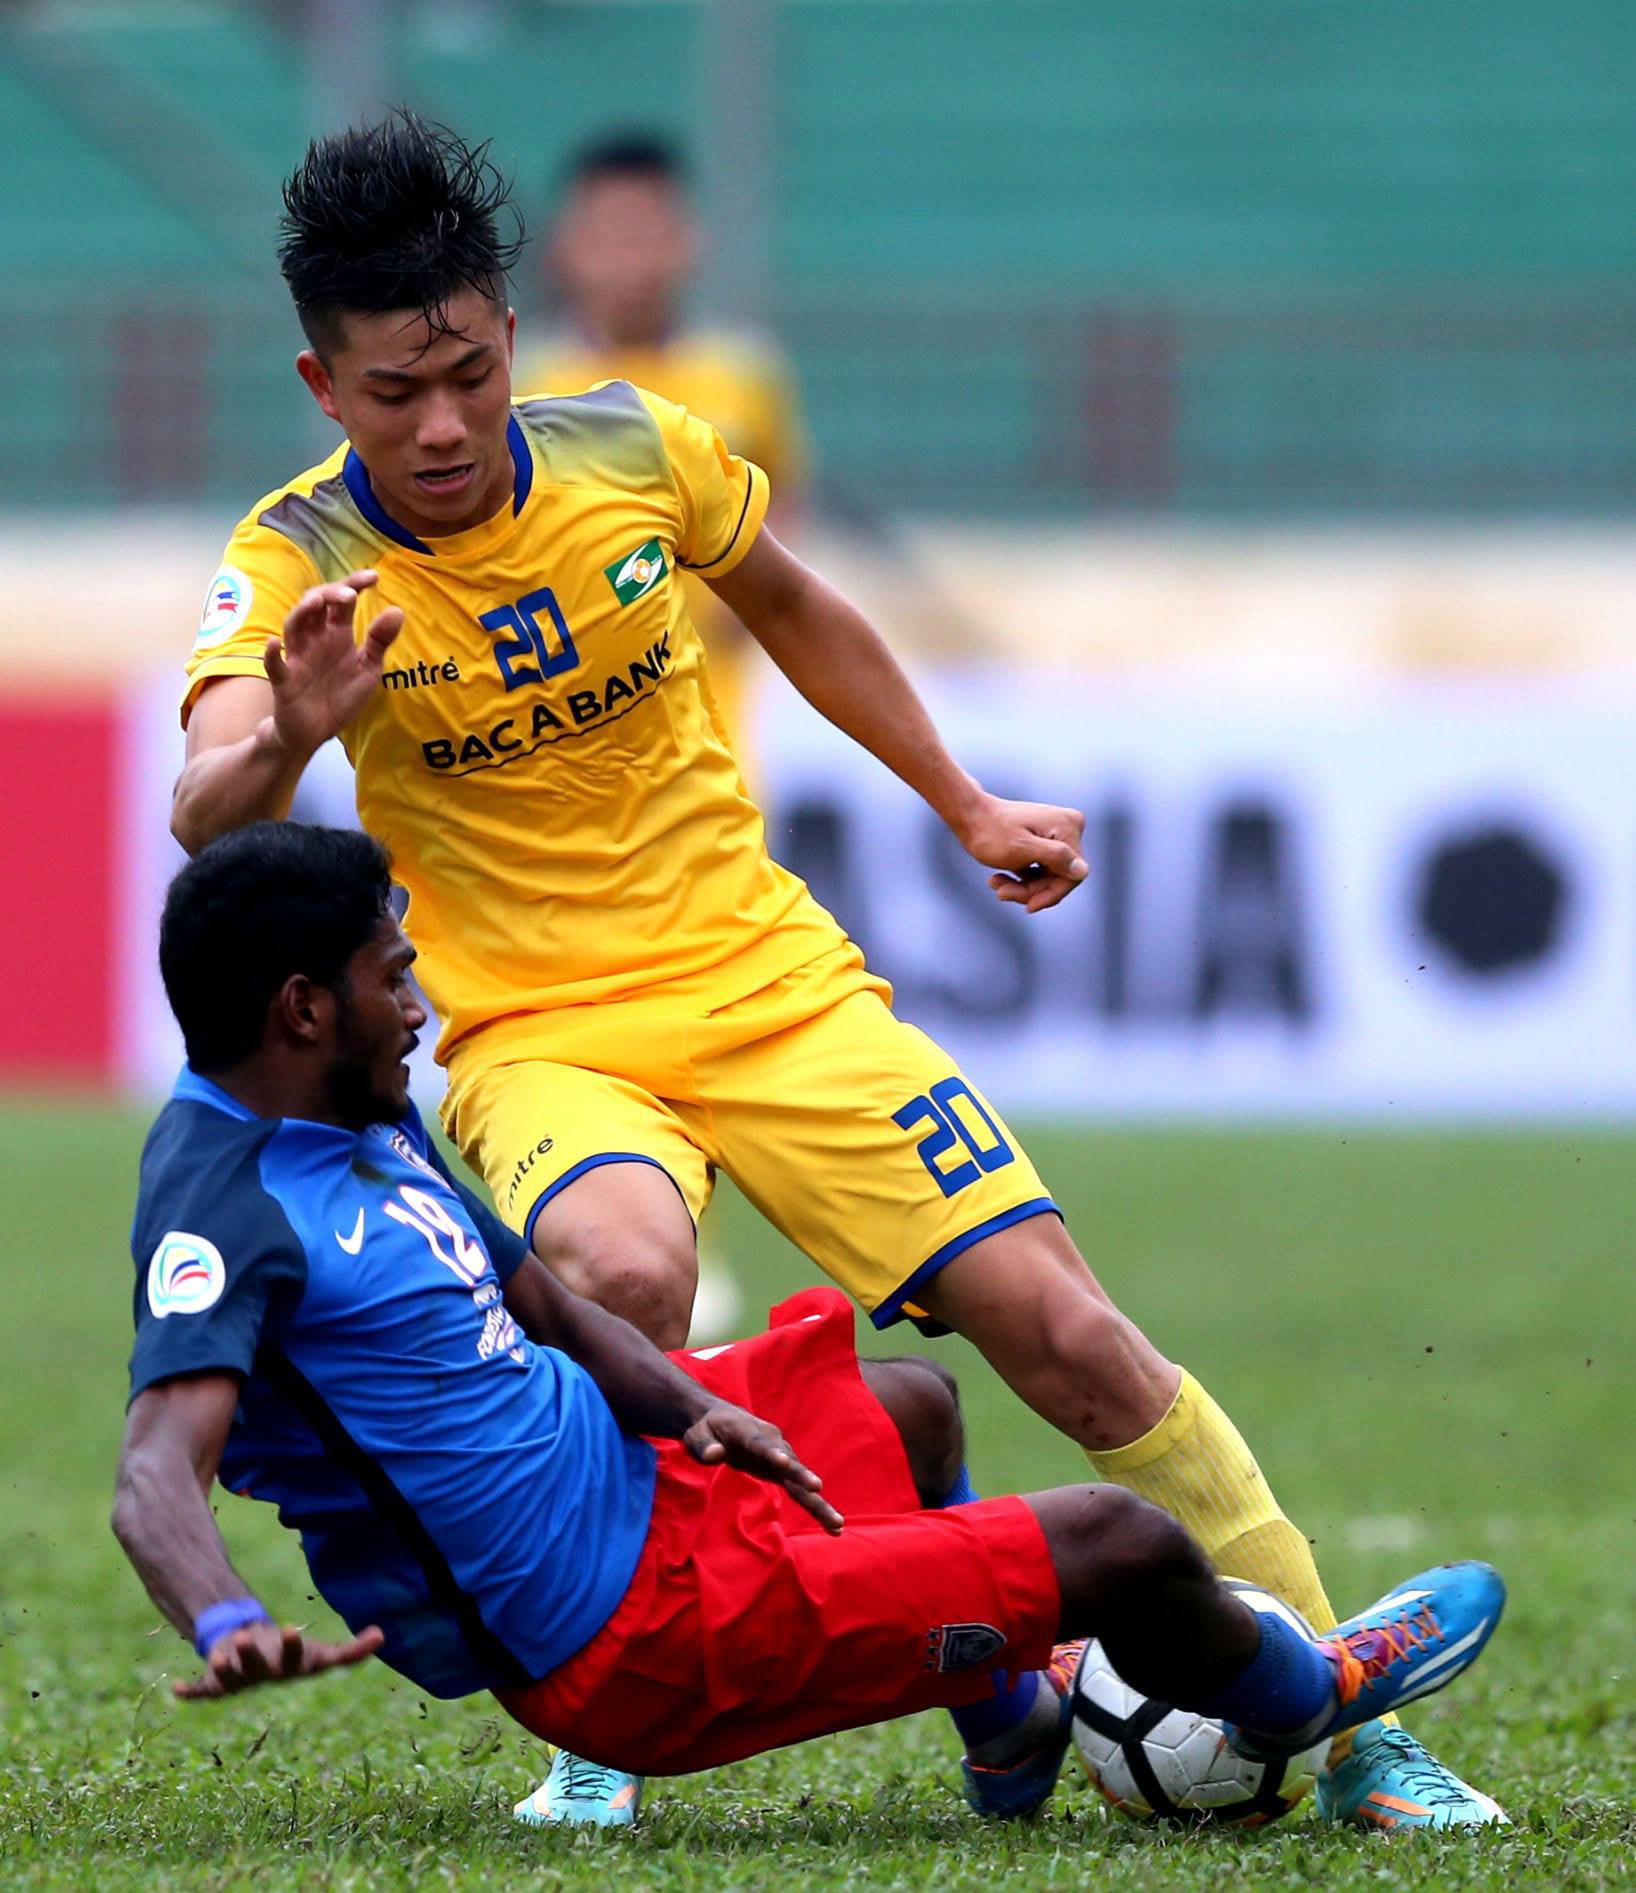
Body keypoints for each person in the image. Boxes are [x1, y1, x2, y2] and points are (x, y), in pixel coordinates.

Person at [170, 111, 1504, 1831]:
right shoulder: (295, 562)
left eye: (465, 374)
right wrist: (287, 726)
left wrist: (960, 798)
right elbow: (208, 807)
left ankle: (1350, 1726)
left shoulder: (637, 445)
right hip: (538, 1029)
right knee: (619, 1276)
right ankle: (604, 1732)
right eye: (385, 393)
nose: (437, 425)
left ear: (508, 333)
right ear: (318, 384)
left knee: (1071, 1336)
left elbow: (793, 604)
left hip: (765, 978)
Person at [113, 823, 1504, 1822]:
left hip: (648, 1476)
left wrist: (691, 1404)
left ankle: (1011, 1731)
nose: (419, 1008)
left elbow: (540, 1301)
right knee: (1126, 1545)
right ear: (304, 1008)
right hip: (632, 1637)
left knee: (913, 1406)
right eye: (391, 977)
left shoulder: (357, 1113)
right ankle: (1312, 1694)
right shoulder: (225, 1214)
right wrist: (227, 1616)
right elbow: (150, 1475)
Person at [517, 131, 810, 758]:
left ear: (688, 242)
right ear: (568, 249)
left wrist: (747, 604)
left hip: (719, 694)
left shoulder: (744, 375)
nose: (631, 261)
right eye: (610, 237)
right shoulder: (523, 384)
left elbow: (783, 489)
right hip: (567, 699)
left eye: (648, 234)